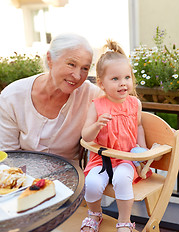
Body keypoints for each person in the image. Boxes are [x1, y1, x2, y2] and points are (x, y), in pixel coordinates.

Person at [81, 40, 149, 232]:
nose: (123, 83)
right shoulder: (96, 105)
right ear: (101, 84)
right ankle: (94, 215)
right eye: (115, 79)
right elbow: (85, 137)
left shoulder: (135, 103)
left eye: (127, 77)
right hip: (100, 159)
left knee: (121, 179)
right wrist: (96, 125)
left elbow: (139, 127)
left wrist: (142, 153)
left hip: (127, 158)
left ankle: (125, 221)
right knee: (92, 183)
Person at [0, 33, 102, 160]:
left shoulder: (91, 95)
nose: (77, 76)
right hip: (22, 175)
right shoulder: (12, 97)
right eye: (71, 64)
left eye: (85, 68)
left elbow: (127, 107)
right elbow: (8, 157)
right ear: (50, 59)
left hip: (72, 175)